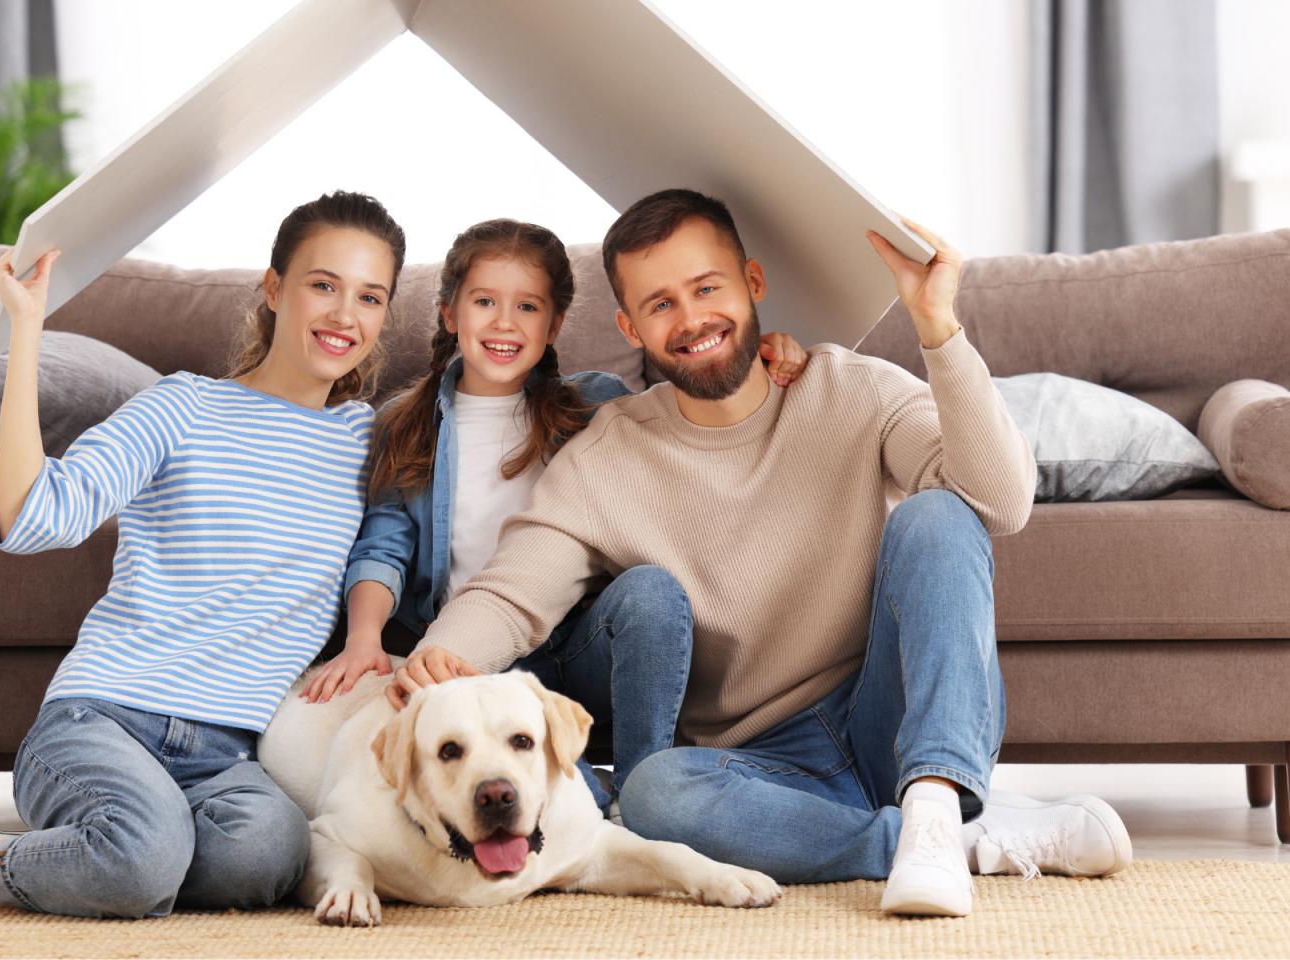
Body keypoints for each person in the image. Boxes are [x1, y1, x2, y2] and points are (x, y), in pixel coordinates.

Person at [381, 188, 1132, 918]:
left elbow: (1001, 501)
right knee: (653, 793)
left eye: (707, 287)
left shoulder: (854, 389)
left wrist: (938, 326)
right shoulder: (604, 457)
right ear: (630, 327)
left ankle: (935, 801)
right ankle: (948, 841)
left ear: (753, 282)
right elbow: (513, 591)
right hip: (758, 768)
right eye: (660, 304)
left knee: (939, 514)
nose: (691, 320)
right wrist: (437, 662)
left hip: (885, 712)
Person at [0, 192, 407, 918]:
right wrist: (25, 332)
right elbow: (34, 517)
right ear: (275, 288)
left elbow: (390, 544)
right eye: (323, 284)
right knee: (142, 860)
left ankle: (111, 847)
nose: (345, 314)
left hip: (229, 755)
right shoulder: (182, 407)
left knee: (268, 857)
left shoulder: (366, 442)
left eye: (369, 296)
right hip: (103, 718)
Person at [301, 218, 809, 810]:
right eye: (484, 302)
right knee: (572, 805)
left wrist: (765, 351)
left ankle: (651, 782)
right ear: (449, 313)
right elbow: (382, 548)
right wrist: (363, 637)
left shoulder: (596, 404)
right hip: (479, 661)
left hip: (582, 648)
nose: (504, 323)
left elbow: (696, 392)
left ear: (555, 324)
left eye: (528, 307)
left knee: (650, 590)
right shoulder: (403, 422)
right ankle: (597, 797)